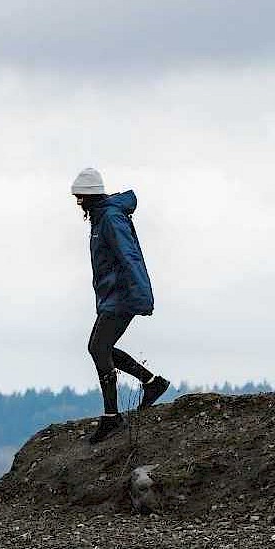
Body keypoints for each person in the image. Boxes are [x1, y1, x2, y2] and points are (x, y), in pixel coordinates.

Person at [74, 167, 171, 444]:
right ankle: (152, 383)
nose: (78, 203)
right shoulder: (100, 217)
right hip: (113, 295)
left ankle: (112, 416)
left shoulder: (110, 218)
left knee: (98, 348)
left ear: (90, 196)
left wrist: (140, 295)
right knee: (98, 347)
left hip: (123, 296)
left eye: (80, 197)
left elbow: (129, 256)